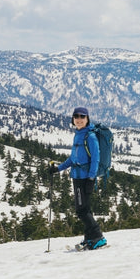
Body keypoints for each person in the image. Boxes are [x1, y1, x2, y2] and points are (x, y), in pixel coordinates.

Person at [49, 106, 107, 250]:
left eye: (82, 117)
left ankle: (98, 237)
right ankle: (89, 239)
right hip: (77, 177)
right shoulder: (78, 134)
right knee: (86, 209)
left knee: (81, 211)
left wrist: (91, 179)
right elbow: (73, 158)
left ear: (87, 119)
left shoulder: (90, 136)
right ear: (73, 119)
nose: (79, 119)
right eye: (76, 116)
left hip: (84, 178)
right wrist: (58, 168)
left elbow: (95, 159)